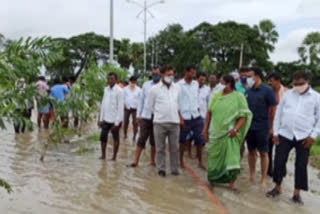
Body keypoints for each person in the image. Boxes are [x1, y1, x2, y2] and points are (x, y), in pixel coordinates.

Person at [266, 71, 320, 205]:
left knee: (301, 165)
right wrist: (276, 132)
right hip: (285, 133)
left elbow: (319, 119)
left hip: (304, 136)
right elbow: (278, 114)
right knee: (278, 161)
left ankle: (296, 194)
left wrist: (313, 136)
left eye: (300, 83)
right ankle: (277, 187)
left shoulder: (316, 97)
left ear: (307, 82)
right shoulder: (288, 94)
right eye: (295, 83)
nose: (297, 86)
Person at [203, 75, 252, 191]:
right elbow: (209, 112)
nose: (220, 85)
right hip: (215, 133)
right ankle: (213, 180)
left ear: (229, 84)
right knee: (214, 157)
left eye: (222, 82)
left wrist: (236, 129)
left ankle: (231, 184)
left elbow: (244, 116)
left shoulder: (239, 97)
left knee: (232, 159)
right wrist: (205, 129)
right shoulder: (217, 96)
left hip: (230, 133)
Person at [246, 67, 277, 187]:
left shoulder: (267, 90)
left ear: (257, 76)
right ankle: (252, 175)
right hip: (250, 126)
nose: (248, 79)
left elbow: (273, 108)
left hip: (263, 126)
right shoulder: (247, 92)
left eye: (250, 76)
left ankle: (263, 179)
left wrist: (272, 126)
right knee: (251, 151)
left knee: (264, 152)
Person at [148, 65, 180, 177]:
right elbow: (150, 106)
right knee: (160, 148)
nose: (171, 76)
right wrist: (160, 114)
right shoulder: (154, 89)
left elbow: (178, 104)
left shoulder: (177, 88)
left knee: (175, 148)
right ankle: (161, 169)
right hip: (160, 123)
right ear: (162, 75)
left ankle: (174, 170)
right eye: (168, 74)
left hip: (174, 122)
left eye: (172, 74)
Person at [129, 67, 161, 167]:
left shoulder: (163, 86)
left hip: (158, 117)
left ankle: (152, 161)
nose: (155, 75)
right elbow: (141, 101)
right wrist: (138, 115)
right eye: (153, 73)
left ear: (160, 74)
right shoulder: (146, 85)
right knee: (142, 138)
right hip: (146, 116)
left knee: (154, 140)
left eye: (157, 73)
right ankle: (135, 161)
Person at [178, 65, 206, 170]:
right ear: (187, 72)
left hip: (196, 115)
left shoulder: (195, 84)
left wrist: (198, 110)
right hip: (184, 116)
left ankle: (200, 162)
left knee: (200, 139)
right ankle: (180, 161)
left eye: (194, 73)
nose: (193, 75)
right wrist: (179, 117)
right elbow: (177, 102)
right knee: (182, 140)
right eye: (192, 73)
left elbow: (196, 99)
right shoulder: (179, 85)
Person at [98, 72, 124, 161]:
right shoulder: (106, 89)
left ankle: (114, 157)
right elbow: (103, 104)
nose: (110, 80)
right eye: (108, 79)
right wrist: (101, 118)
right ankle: (103, 155)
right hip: (105, 118)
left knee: (115, 138)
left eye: (112, 79)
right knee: (103, 138)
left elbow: (120, 107)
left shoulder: (120, 91)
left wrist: (117, 123)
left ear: (116, 80)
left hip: (114, 119)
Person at [267, 72, 288, 177]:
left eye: (271, 81)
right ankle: (269, 170)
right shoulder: (268, 92)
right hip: (269, 124)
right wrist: (270, 127)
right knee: (268, 149)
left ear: (278, 80)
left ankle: (281, 171)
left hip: (283, 126)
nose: (270, 83)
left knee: (281, 151)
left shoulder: (287, 92)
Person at [123, 76, 141, 141]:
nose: (133, 83)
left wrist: (139, 111)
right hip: (126, 108)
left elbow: (140, 100)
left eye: (134, 82)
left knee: (135, 123)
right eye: (131, 82)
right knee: (125, 122)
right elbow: (123, 98)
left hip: (135, 108)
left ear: (136, 82)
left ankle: (134, 136)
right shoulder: (125, 89)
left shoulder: (139, 90)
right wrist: (123, 105)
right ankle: (125, 135)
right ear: (129, 82)